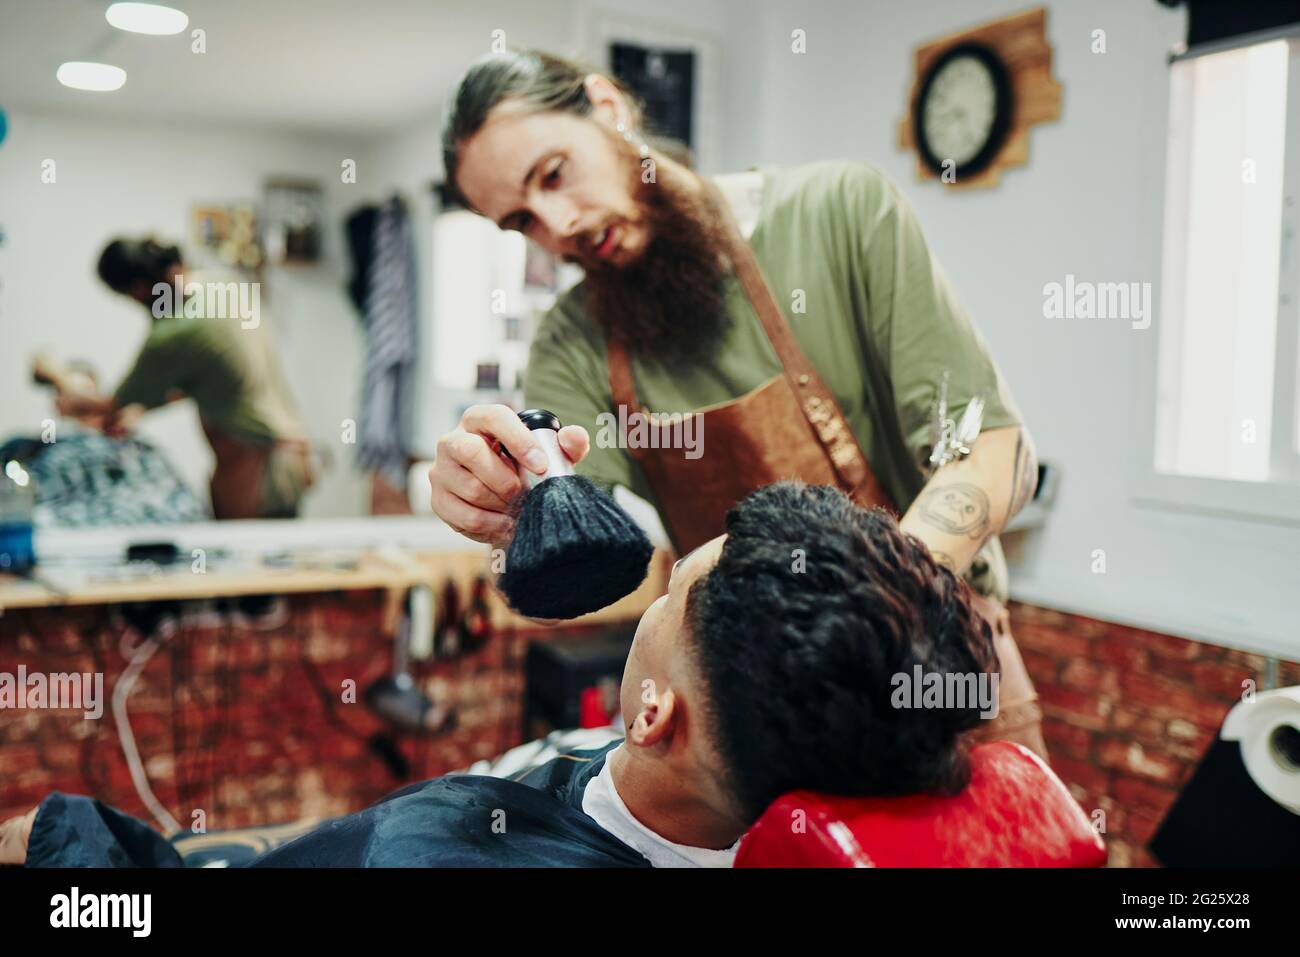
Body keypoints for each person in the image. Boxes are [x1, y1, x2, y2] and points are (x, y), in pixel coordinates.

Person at [428, 49, 1046, 757]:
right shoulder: (573, 341)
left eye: (555, 173)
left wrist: (869, 620)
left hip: (939, 673)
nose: (557, 225)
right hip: (749, 715)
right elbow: (562, 545)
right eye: (522, 221)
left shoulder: (838, 213)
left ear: (607, 106)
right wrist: (508, 516)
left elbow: (993, 447)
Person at [6, 482, 995, 868]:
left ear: (651, 715)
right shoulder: (829, 785)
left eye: (669, 592)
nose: (652, 592)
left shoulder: (428, 849)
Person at [34, 237, 314, 519]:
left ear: (138, 289)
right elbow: (212, 375)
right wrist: (142, 406)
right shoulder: (224, 285)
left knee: (247, 562)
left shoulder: (175, 331)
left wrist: (52, 371)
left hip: (257, 471)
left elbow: (106, 404)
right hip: (291, 457)